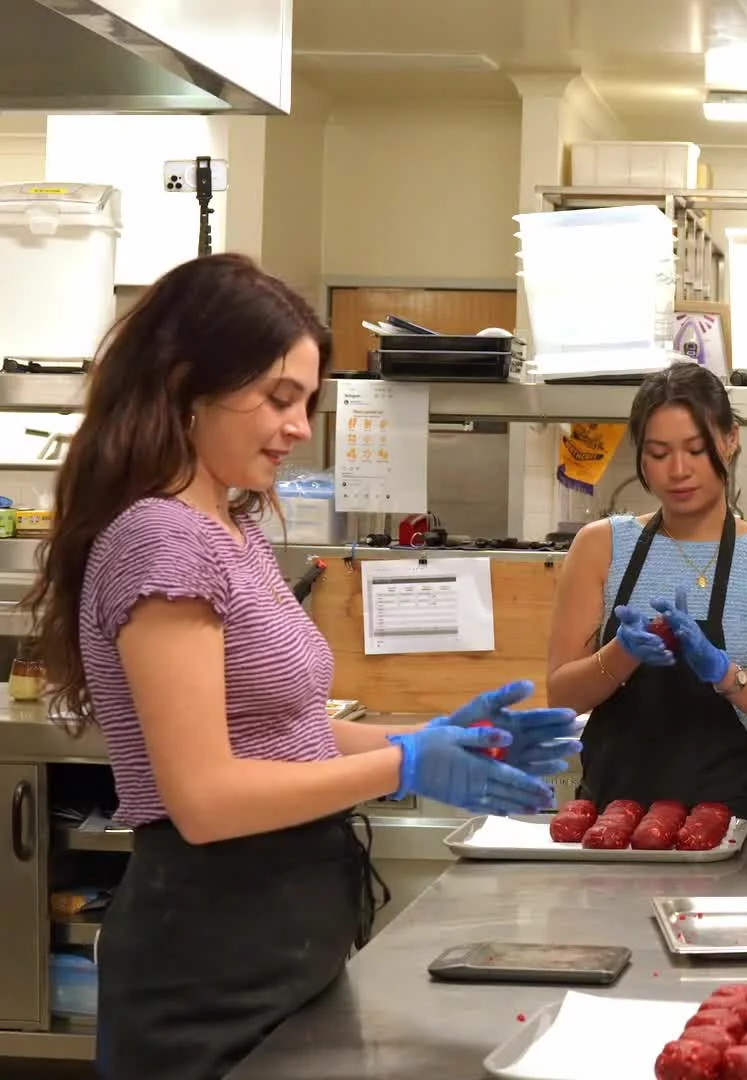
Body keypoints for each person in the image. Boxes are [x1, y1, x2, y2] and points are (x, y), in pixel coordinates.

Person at [24, 254, 580, 1079]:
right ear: (186, 383)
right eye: (278, 397)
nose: (296, 427)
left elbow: (285, 732)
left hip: (279, 936)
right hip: (210, 958)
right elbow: (205, 799)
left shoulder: (231, 528)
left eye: (306, 403)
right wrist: (405, 763)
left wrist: (440, 738)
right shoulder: (163, 539)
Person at [547, 362, 747, 817]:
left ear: (730, 440)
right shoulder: (600, 546)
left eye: (696, 449)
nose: (678, 470)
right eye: (658, 453)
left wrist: (726, 674)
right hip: (611, 824)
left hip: (724, 824)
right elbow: (561, 698)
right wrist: (622, 653)